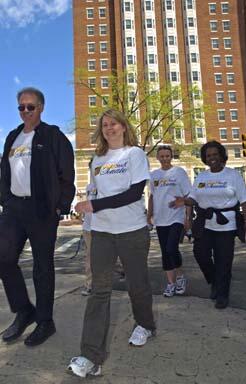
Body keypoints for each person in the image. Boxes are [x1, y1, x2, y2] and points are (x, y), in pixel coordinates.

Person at [67, 109, 155, 378]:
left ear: (124, 126)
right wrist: (87, 218)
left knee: (137, 285)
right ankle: (90, 356)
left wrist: (95, 204)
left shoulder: (134, 154)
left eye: (113, 123)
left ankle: (145, 324)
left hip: (132, 230)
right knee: (99, 291)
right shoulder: (97, 159)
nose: (109, 128)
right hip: (103, 232)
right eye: (104, 125)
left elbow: (133, 194)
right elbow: (94, 192)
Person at [0, 87, 75, 346]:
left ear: (40, 108)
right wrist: (5, 200)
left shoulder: (52, 135)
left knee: (42, 267)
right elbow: (5, 173)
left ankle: (45, 321)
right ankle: (24, 310)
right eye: (21, 107)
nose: (25, 112)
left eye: (30, 107)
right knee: (3, 257)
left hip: (42, 209)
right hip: (14, 209)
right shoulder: (12, 137)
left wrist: (60, 206)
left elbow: (67, 172)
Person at [170, 141, 246, 309]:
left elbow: (245, 200)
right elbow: (193, 198)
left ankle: (222, 295)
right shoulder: (202, 176)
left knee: (224, 261)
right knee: (200, 254)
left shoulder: (233, 175)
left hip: (226, 225)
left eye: (215, 154)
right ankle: (214, 281)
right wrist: (183, 201)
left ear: (221, 155)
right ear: (205, 159)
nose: (212, 158)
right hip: (205, 223)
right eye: (208, 155)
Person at [147, 145, 192, 297]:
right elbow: (152, 197)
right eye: (162, 156)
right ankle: (171, 283)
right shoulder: (154, 175)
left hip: (176, 217)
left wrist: (187, 217)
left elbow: (189, 196)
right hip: (160, 219)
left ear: (171, 157)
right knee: (165, 253)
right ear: (158, 157)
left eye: (167, 156)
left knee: (171, 248)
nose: (165, 158)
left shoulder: (179, 173)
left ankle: (180, 277)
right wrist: (149, 217)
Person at [81, 165, 96, 296]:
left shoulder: (106, 185)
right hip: (88, 227)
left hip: (103, 227)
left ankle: (120, 270)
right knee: (90, 256)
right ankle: (89, 284)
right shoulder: (88, 187)